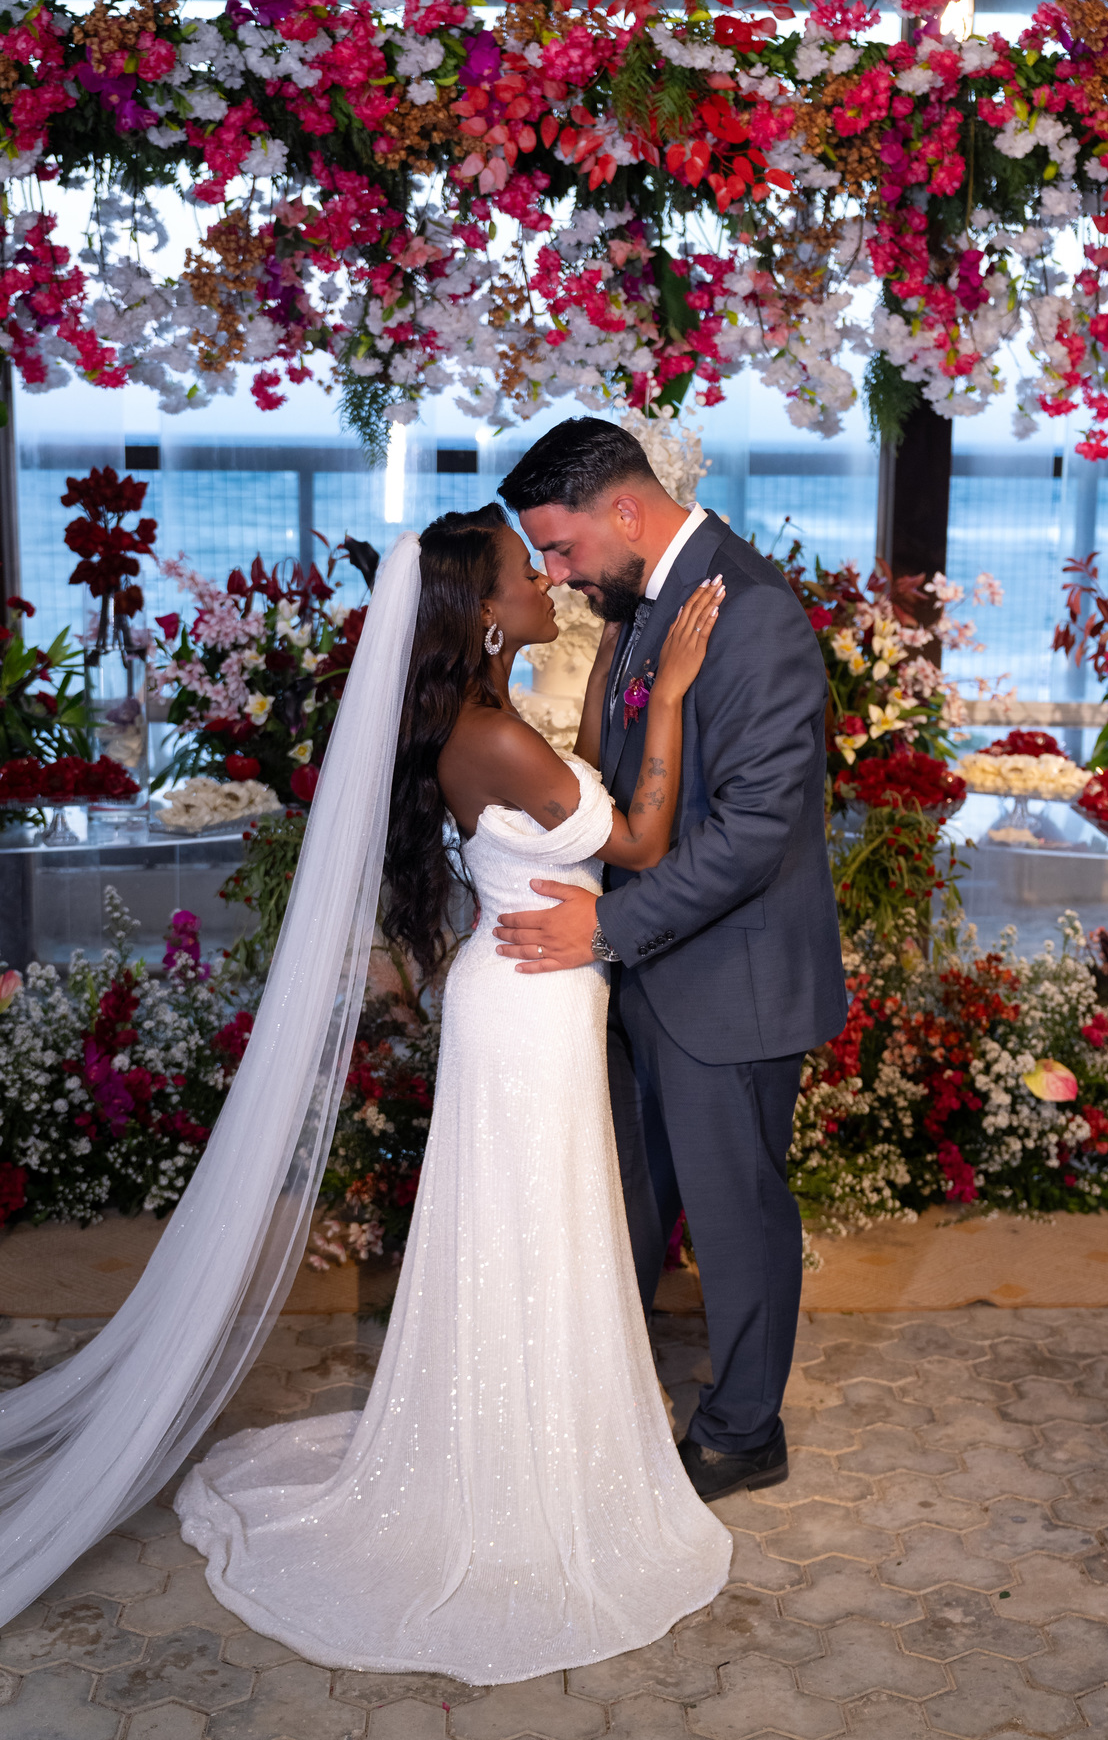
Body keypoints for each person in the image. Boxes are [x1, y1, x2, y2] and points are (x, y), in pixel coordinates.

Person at [171, 506, 732, 1681]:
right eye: (527, 571)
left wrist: (615, 670)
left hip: (532, 994)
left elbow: (573, 787)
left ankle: (532, 1439)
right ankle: (515, 1472)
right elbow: (635, 842)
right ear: (482, 611)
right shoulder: (490, 736)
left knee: (534, 1231)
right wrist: (672, 692)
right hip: (529, 1008)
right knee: (530, 1232)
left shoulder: (492, 721)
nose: (546, 582)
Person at [494, 420, 848, 1505]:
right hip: (650, 970)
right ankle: (605, 1393)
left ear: (625, 511)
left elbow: (752, 834)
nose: (557, 575)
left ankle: (744, 1433)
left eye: (562, 549)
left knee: (737, 1217)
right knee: (633, 1198)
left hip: (728, 981)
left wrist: (604, 930)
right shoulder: (647, 605)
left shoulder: (753, 614)